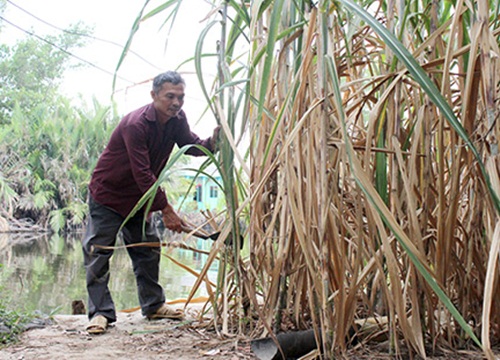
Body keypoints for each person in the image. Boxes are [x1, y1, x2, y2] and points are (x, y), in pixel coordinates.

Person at [82, 70, 219, 334]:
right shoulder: (136, 124)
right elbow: (143, 173)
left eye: (180, 96)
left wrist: (212, 143)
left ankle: (154, 306)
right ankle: (100, 313)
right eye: (170, 96)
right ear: (154, 95)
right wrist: (166, 209)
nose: (176, 103)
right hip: (109, 196)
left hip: (141, 198)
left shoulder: (177, 119)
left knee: (147, 249)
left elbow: (189, 144)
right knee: (98, 252)